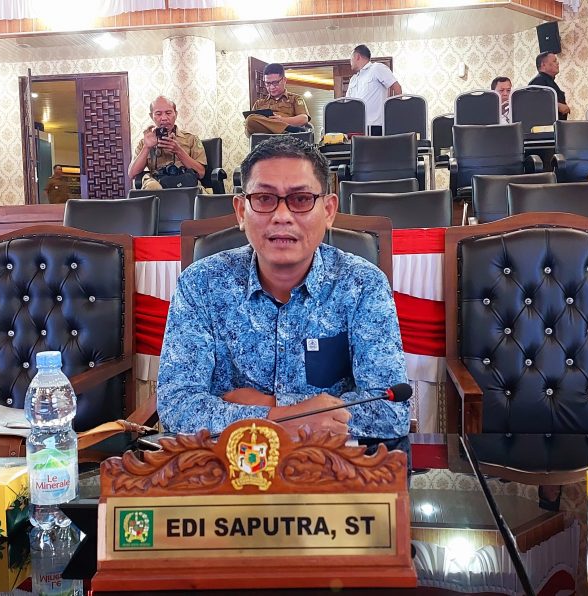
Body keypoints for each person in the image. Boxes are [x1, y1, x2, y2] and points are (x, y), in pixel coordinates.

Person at [156, 136, 410, 454]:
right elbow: (176, 406)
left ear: (328, 210)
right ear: (241, 211)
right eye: (264, 199)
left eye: (301, 199)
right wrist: (286, 418)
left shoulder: (362, 284)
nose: (282, 216)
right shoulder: (201, 284)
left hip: (333, 468)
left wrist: (270, 408)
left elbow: (390, 409)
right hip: (225, 470)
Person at [127, 95, 206, 190]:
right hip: (157, 183)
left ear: (176, 114)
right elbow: (132, 174)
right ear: (151, 116)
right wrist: (146, 147)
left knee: (199, 190)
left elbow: (201, 173)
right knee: (152, 186)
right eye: (158, 114)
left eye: (168, 113)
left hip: (184, 182)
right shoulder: (145, 142)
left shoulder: (191, 139)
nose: (164, 118)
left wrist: (178, 151)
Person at [346, 44, 402, 130]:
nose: (350, 62)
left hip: (376, 126)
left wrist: (395, 113)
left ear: (357, 56)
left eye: (351, 59)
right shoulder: (353, 79)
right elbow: (347, 103)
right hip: (356, 127)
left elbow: (396, 87)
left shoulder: (376, 68)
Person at [245, 63, 310, 136]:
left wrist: (282, 120)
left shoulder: (295, 99)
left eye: (275, 83)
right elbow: (249, 130)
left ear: (284, 80)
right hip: (265, 140)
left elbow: (304, 119)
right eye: (268, 83)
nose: (271, 87)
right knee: (250, 120)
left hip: (290, 139)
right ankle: (287, 129)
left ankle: (285, 130)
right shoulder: (259, 103)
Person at [529, 52, 570, 119]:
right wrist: (557, 106)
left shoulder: (548, 80)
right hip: (545, 125)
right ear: (543, 65)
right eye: (554, 61)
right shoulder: (538, 80)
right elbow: (534, 102)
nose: (557, 63)